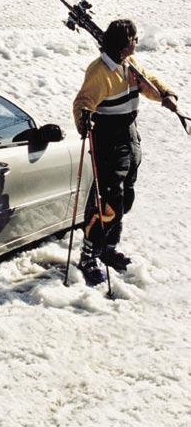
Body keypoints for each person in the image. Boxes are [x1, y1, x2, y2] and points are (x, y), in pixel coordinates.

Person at [73, 19, 178, 286]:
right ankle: (88, 255)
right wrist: (84, 120)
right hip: (108, 139)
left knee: (125, 198)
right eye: (132, 39)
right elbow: (83, 102)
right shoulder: (100, 72)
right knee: (108, 201)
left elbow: (148, 82)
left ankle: (107, 248)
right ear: (122, 44)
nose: (136, 42)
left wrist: (166, 94)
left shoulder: (128, 64)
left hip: (130, 136)